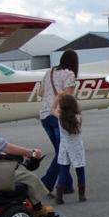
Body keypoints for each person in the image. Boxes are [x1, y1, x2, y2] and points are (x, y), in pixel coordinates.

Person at [38, 49, 79, 196]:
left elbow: (40, 93)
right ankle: (46, 183)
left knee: (60, 151)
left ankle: (66, 185)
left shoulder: (49, 72)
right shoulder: (69, 74)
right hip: (58, 115)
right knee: (63, 151)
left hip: (44, 115)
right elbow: (67, 97)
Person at [51, 94, 86, 203]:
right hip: (76, 148)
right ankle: (81, 195)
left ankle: (59, 197)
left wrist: (57, 97)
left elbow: (52, 109)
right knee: (80, 171)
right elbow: (78, 108)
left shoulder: (60, 117)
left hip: (64, 148)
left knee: (63, 171)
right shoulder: (78, 117)